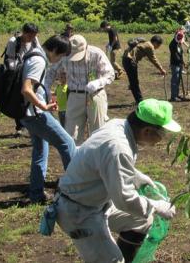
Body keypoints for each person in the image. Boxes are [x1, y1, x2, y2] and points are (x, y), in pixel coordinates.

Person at [56, 99, 180, 263]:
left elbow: (106, 163)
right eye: (162, 134)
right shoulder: (119, 147)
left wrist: (137, 178)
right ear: (147, 130)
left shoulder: (118, 125)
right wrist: (157, 206)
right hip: (79, 211)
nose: (162, 139)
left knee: (141, 220)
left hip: (96, 202)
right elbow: (125, 200)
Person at [20, 34, 76, 203]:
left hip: (27, 113)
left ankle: (36, 194)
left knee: (40, 150)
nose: (59, 60)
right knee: (67, 143)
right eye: (60, 56)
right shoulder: (39, 60)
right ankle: (77, 189)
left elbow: (33, 87)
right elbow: (26, 89)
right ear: (54, 50)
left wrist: (46, 95)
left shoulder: (34, 53)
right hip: (36, 114)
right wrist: (43, 106)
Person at [45, 35, 115, 145]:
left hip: (95, 95)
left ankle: (97, 159)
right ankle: (75, 159)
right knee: (71, 133)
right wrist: (46, 88)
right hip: (75, 95)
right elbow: (51, 72)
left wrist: (98, 83)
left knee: (98, 130)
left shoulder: (96, 53)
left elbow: (110, 74)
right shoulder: (64, 55)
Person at [4, 24, 40, 136]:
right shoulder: (13, 41)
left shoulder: (34, 40)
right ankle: (20, 126)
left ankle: (32, 122)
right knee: (18, 98)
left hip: (30, 71)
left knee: (31, 96)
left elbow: (38, 51)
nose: (32, 38)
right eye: (30, 36)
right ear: (23, 32)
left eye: (34, 36)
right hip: (17, 72)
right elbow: (10, 59)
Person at [122, 35, 166, 104]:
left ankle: (135, 93)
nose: (158, 47)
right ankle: (139, 101)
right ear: (155, 43)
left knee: (134, 81)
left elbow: (148, 57)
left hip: (126, 59)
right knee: (135, 83)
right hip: (130, 61)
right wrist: (161, 69)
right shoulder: (150, 46)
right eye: (159, 45)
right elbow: (154, 59)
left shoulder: (146, 43)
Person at [169, 30, 185, 102]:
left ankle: (176, 94)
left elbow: (180, 54)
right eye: (179, 37)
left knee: (178, 80)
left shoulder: (178, 43)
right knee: (175, 80)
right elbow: (176, 56)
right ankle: (173, 96)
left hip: (179, 64)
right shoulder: (172, 44)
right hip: (175, 64)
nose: (180, 39)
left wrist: (183, 62)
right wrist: (181, 62)